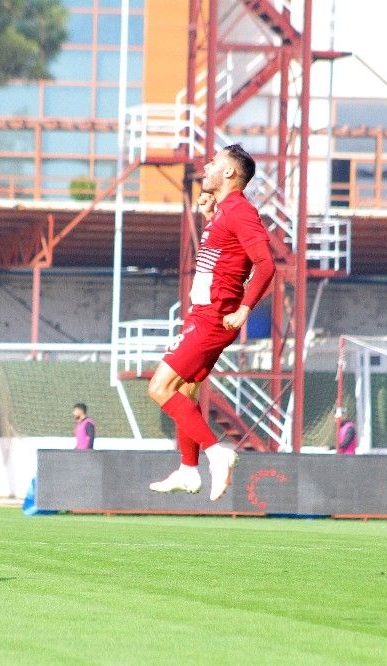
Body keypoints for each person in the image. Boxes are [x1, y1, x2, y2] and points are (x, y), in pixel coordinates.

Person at [148, 144, 275, 501]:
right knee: (185, 391)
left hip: (212, 317)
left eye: (214, 162)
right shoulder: (224, 211)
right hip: (203, 313)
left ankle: (216, 453)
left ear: (230, 173)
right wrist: (209, 215)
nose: (207, 166)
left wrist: (245, 308)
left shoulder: (240, 211)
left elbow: (266, 264)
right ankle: (189, 470)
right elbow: (226, 255)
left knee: (159, 388)